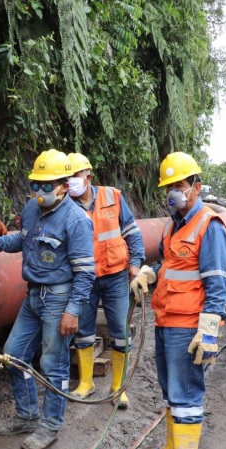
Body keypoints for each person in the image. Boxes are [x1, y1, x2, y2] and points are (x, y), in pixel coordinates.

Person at [0, 149, 95, 449]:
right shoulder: (31, 209)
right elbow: (21, 240)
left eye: (46, 185)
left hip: (59, 298)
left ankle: (51, 426)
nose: (39, 192)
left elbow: (86, 273)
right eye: (35, 185)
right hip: (33, 296)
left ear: (64, 185)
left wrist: (73, 311)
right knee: (13, 355)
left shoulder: (77, 221)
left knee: (54, 364)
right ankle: (27, 415)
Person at [132, 151, 226, 449]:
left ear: (196, 187)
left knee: (187, 393)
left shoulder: (210, 225)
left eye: (180, 185)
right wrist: (150, 273)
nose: (174, 191)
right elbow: (171, 267)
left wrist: (209, 332)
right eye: (169, 186)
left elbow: (217, 282)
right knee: (170, 390)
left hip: (189, 325)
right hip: (166, 318)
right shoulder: (174, 224)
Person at [66, 152, 146, 409]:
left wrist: (135, 264)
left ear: (88, 176)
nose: (70, 182)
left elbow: (132, 231)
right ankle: (86, 383)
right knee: (84, 331)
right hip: (84, 278)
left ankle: (117, 388)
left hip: (114, 275)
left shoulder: (112, 196)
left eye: (75, 176)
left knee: (120, 334)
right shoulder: (65, 204)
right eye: (66, 178)